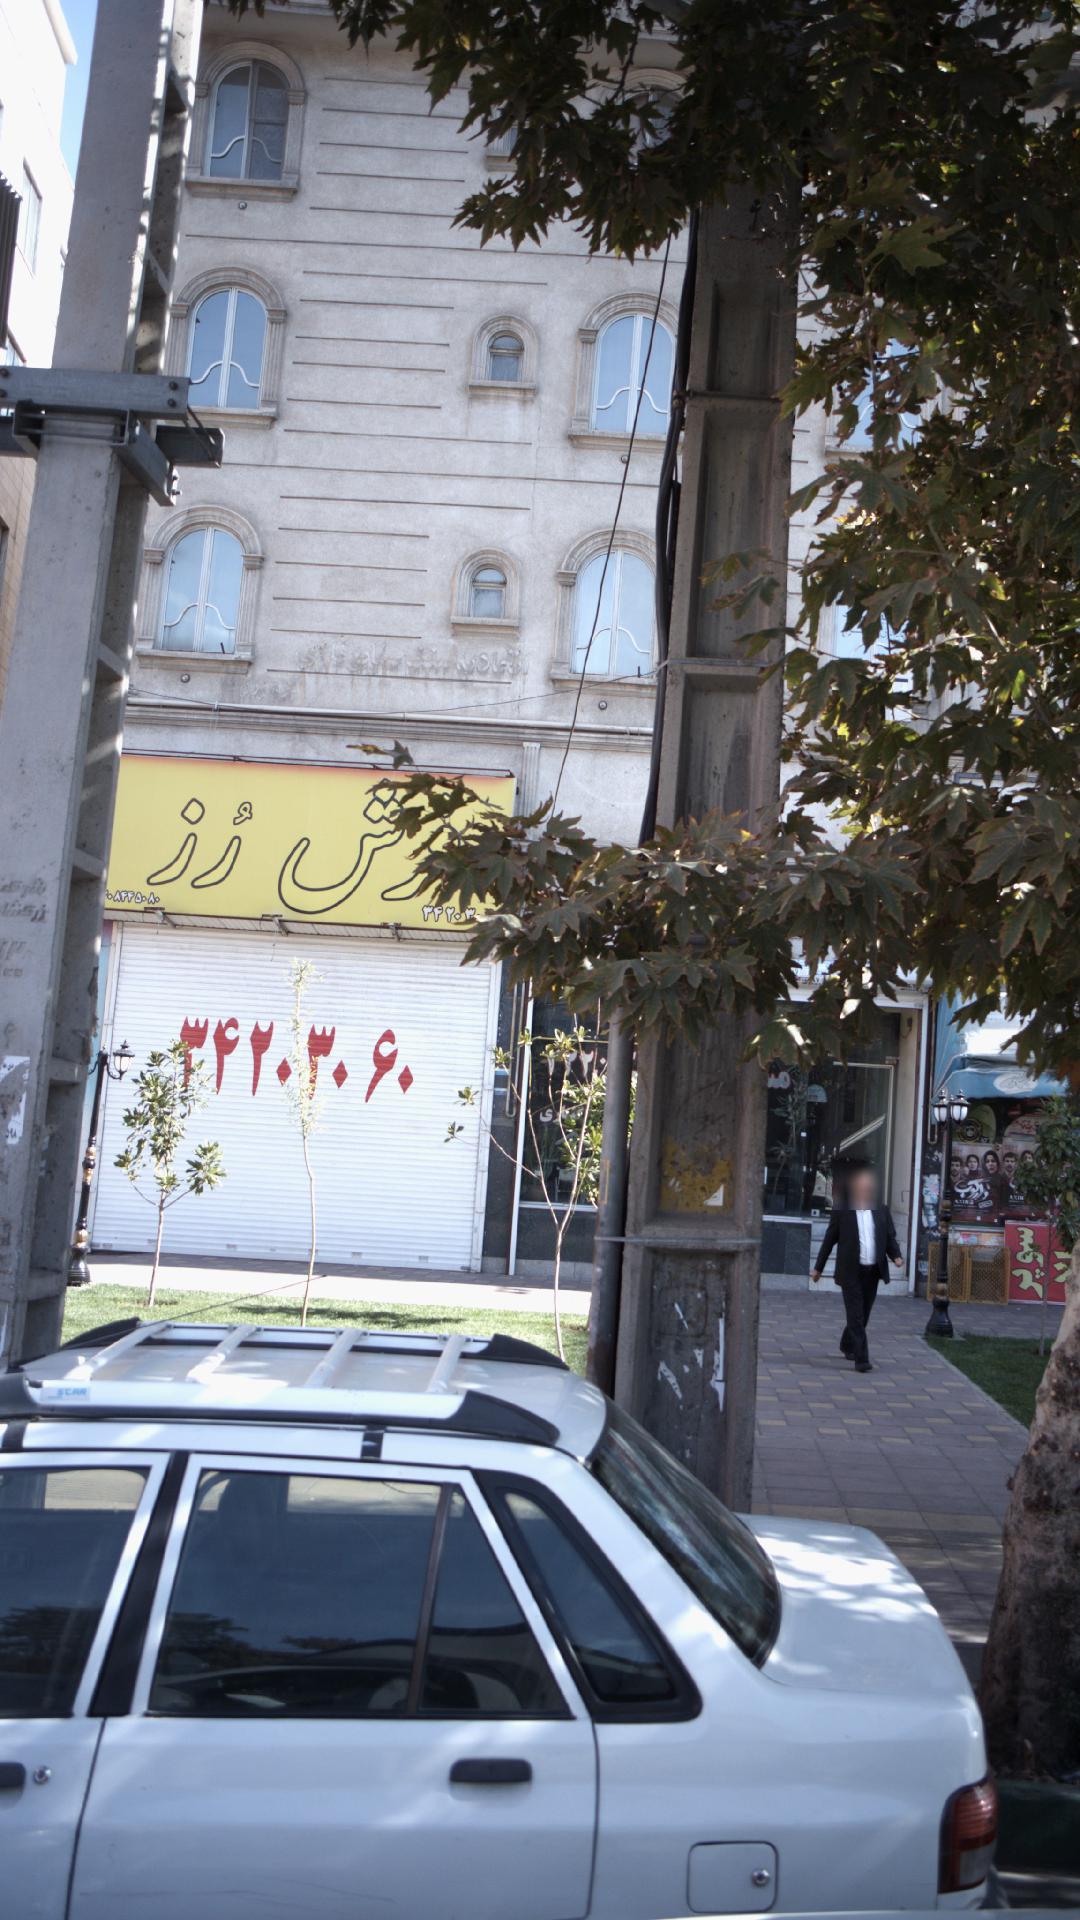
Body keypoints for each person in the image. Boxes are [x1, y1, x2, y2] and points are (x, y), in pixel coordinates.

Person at [811, 1166, 903, 1372]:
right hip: (850, 1270)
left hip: (872, 1271)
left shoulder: (881, 1210)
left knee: (863, 1313)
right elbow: (829, 1240)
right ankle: (862, 1359)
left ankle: (847, 1343)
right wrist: (818, 1268)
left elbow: (889, 1237)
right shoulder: (842, 1211)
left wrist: (896, 1255)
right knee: (856, 1315)